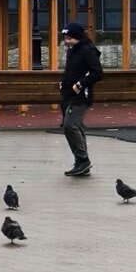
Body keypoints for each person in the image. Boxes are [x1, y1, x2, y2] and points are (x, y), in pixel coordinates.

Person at [60, 22, 103, 177]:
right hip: (69, 94)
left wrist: (80, 84)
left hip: (80, 95)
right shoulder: (73, 51)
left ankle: (83, 160)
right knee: (76, 126)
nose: (67, 41)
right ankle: (82, 163)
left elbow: (97, 72)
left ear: (78, 37)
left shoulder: (87, 51)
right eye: (65, 38)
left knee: (70, 126)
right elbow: (71, 71)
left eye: (70, 38)